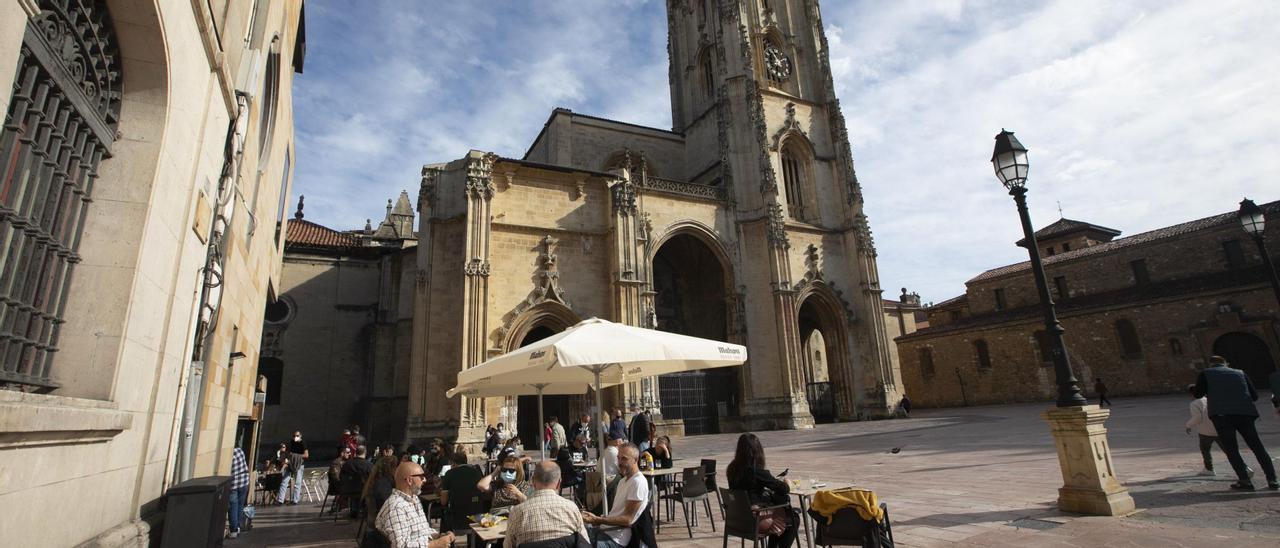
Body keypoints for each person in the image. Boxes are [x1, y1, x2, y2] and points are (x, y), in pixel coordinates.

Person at [1193, 356, 1278, 490]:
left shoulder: (1206, 373)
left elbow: (1198, 394)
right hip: (1245, 414)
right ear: (1226, 363)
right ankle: (1272, 480)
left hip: (1222, 416)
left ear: (1210, 364)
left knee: (1232, 449)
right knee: (1257, 447)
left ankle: (1245, 481)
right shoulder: (1240, 373)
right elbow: (1254, 396)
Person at [727, 433, 798, 548]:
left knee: (779, 515)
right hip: (755, 520)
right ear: (757, 450)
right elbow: (783, 489)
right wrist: (788, 484)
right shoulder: (756, 471)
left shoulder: (732, 469)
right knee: (793, 518)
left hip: (737, 520)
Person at [507, 461, 591, 548]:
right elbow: (584, 541)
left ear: (533, 482)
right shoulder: (571, 508)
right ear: (559, 483)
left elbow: (508, 545)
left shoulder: (517, 512)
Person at [374, 461, 456, 548]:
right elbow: (400, 546)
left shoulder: (414, 498)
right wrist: (435, 544)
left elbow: (422, 531)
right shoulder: (396, 507)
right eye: (421, 477)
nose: (425, 480)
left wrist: (439, 536)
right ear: (409, 480)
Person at [582, 443, 649, 548]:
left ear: (636, 460)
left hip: (616, 539)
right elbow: (616, 512)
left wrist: (598, 520)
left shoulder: (638, 482)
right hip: (605, 530)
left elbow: (627, 520)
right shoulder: (622, 481)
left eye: (624, 459)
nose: (619, 462)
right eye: (618, 458)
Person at [439, 452, 483, 531]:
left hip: (457, 515)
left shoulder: (450, 473)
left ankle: (448, 541)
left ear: (452, 462)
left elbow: (443, 501)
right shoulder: (476, 471)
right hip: (476, 513)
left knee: (444, 514)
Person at [278, 431, 309, 505]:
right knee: (284, 481)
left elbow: (306, 455)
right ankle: (280, 500)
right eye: (294, 435)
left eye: (297, 435)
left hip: (299, 464)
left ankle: (295, 500)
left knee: (297, 482)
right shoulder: (291, 442)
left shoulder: (303, 443)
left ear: (300, 436)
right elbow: (288, 452)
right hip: (290, 463)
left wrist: (295, 455)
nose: (296, 437)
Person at [342, 446, 374, 518]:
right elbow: (373, 479)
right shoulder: (369, 465)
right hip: (363, 490)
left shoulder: (347, 464)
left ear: (356, 452)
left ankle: (354, 510)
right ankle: (365, 510)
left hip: (347, 490)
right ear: (365, 453)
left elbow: (342, 476)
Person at [228, 447, 250, 539]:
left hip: (233, 484)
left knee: (233, 507)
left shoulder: (229, 456)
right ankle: (238, 526)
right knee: (240, 505)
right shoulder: (240, 450)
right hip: (244, 481)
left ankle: (233, 530)